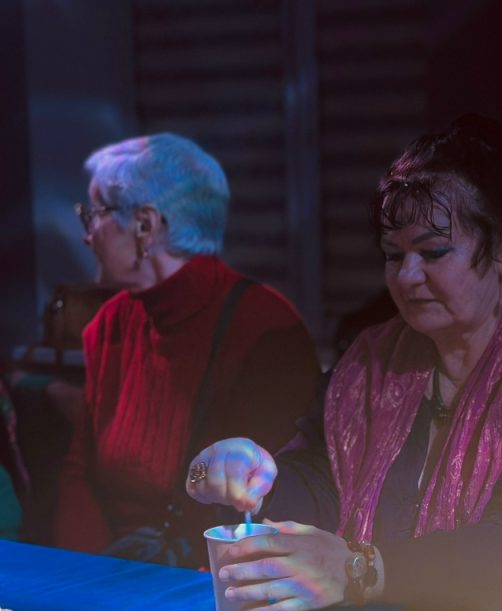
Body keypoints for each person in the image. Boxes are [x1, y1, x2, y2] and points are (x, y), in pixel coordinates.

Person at [186, 116, 502, 611]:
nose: (408, 276)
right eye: (394, 256)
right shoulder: (372, 361)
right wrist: (245, 481)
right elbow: (321, 483)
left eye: (433, 252)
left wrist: (358, 569)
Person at [55, 133, 320, 565]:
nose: (87, 235)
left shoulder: (264, 327)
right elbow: (79, 473)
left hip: (213, 573)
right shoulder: (110, 323)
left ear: (145, 226)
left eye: (95, 213)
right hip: (113, 571)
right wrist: (83, 577)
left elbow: (270, 496)